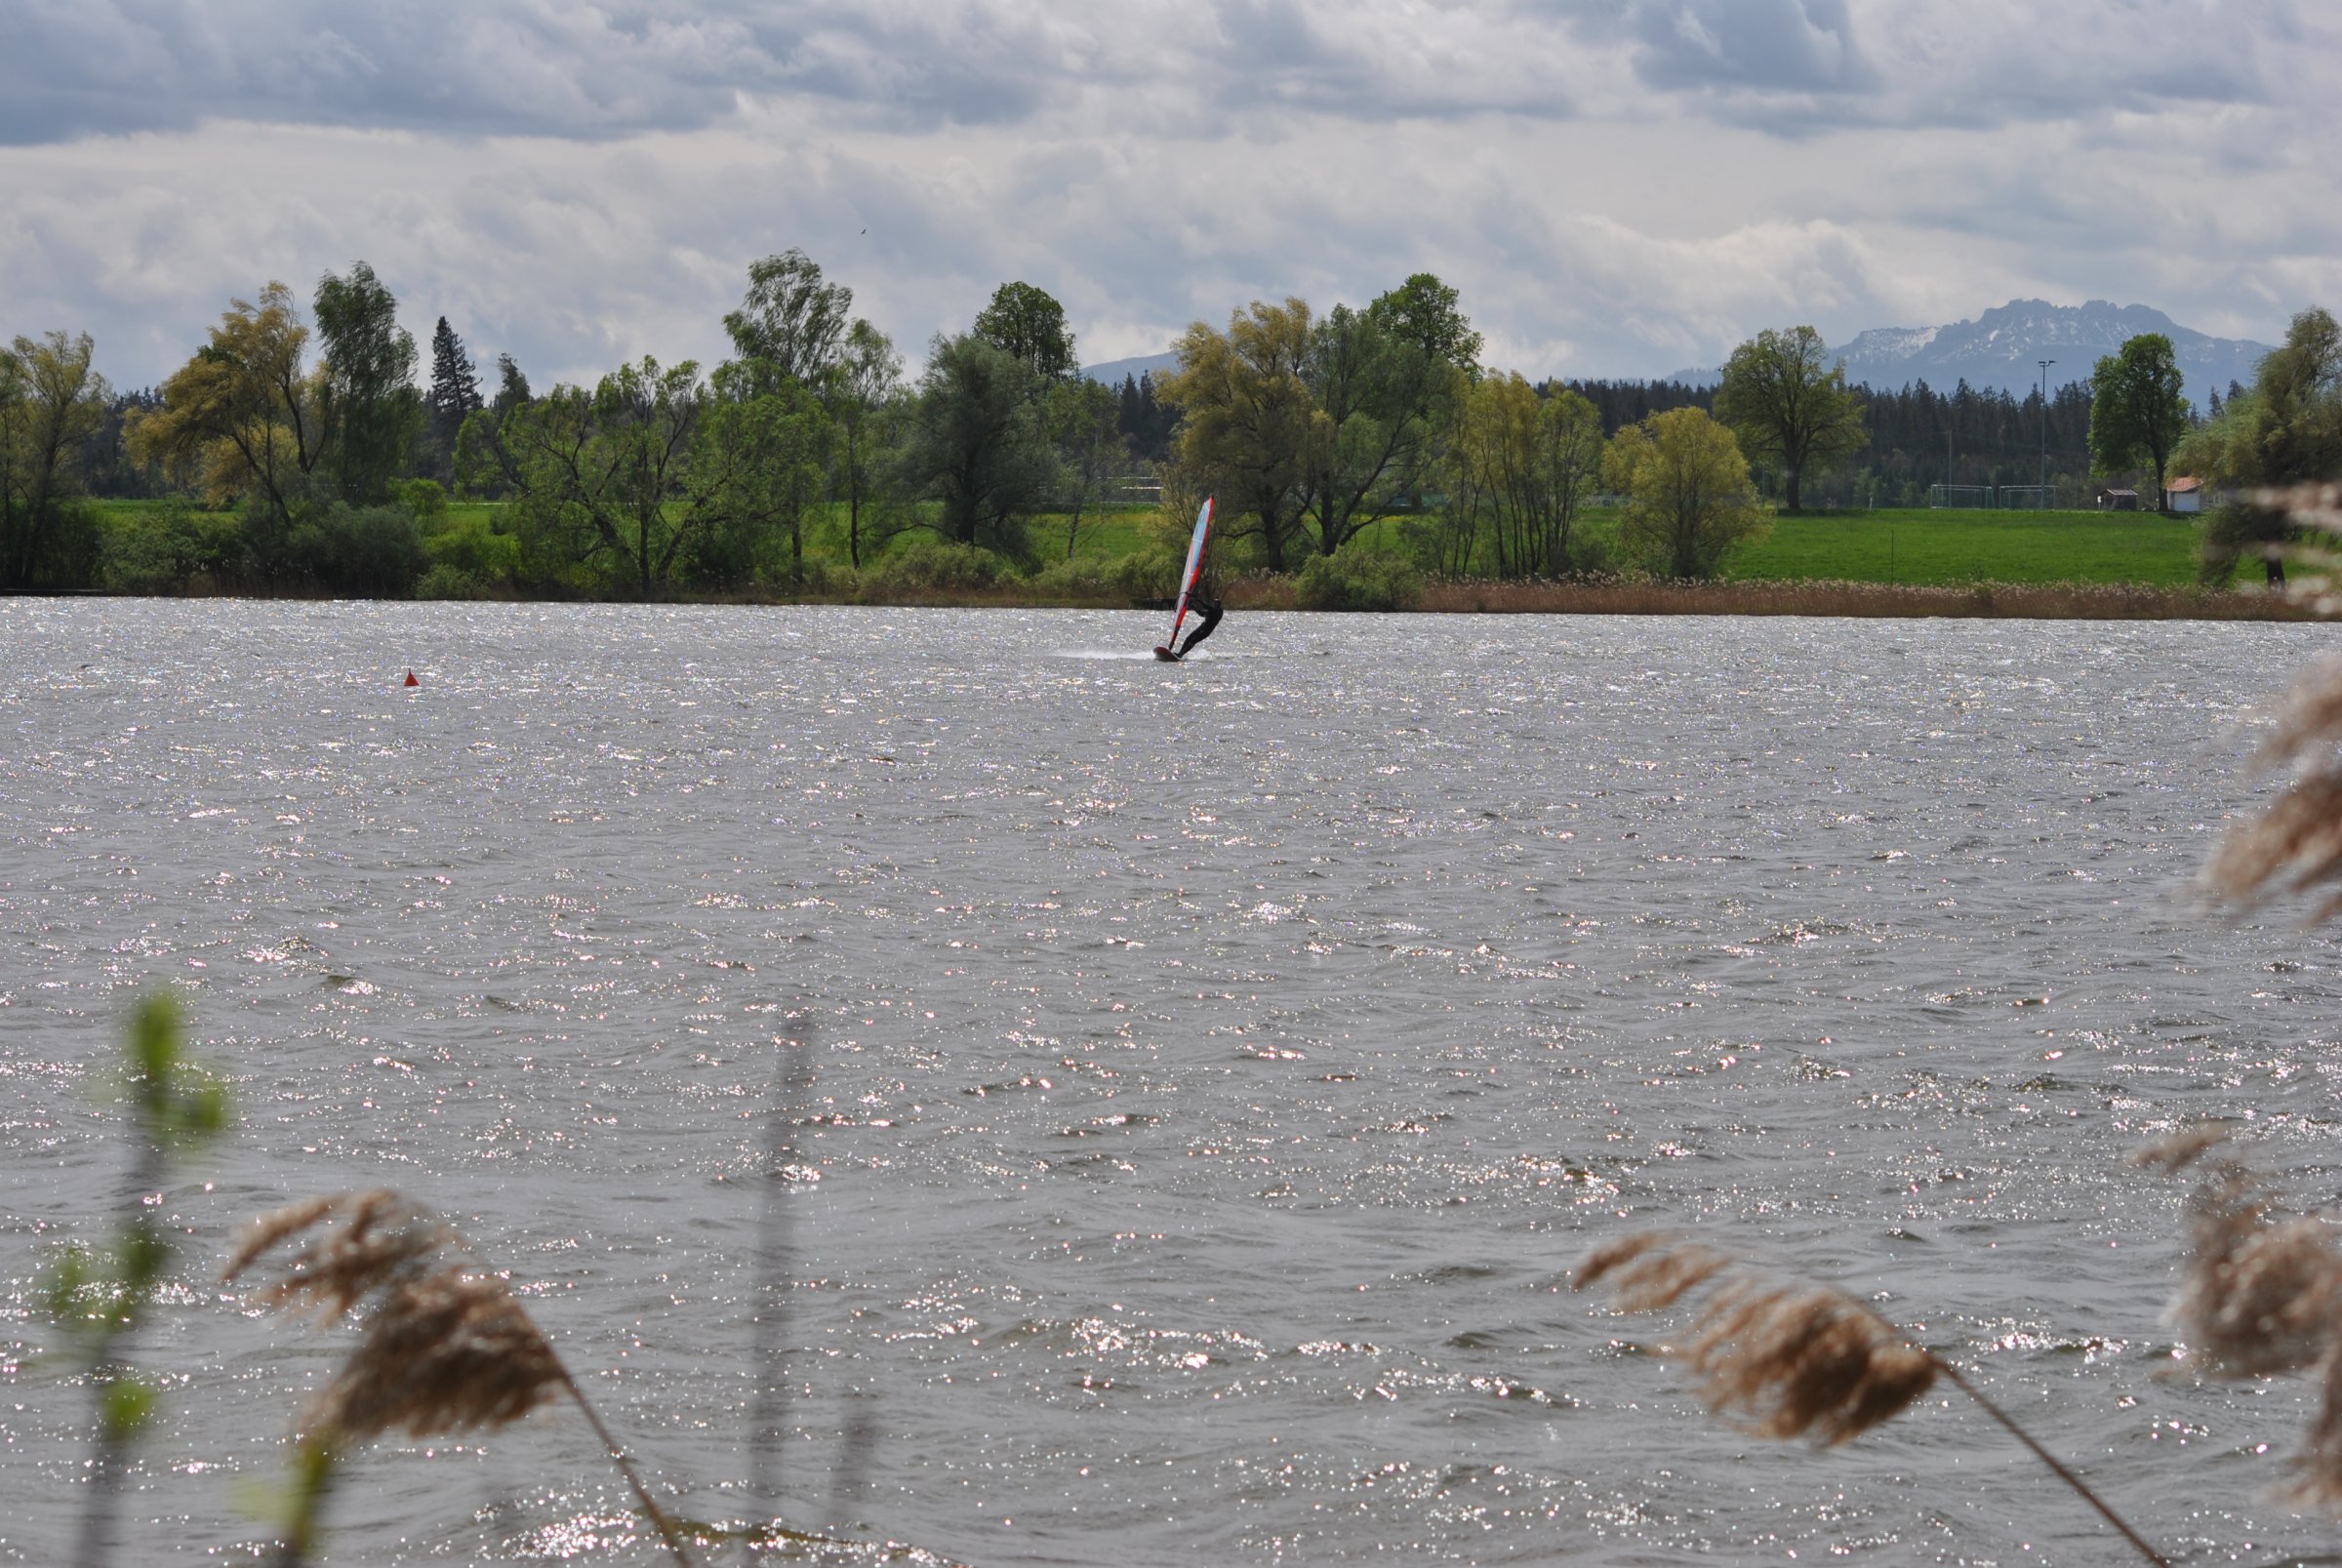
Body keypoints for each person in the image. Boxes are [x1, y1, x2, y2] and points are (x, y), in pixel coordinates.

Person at [1167, 591, 1222, 661]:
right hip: (1202, 627)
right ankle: (1179, 653)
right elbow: (1201, 613)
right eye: (1214, 603)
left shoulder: (1219, 611)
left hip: (1207, 630)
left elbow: (1206, 606)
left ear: (1219, 604)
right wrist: (1194, 607)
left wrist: (1196, 599)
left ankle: (1181, 654)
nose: (1215, 604)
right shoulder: (1211, 611)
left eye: (1216, 603)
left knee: (1193, 641)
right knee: (1188, 638)